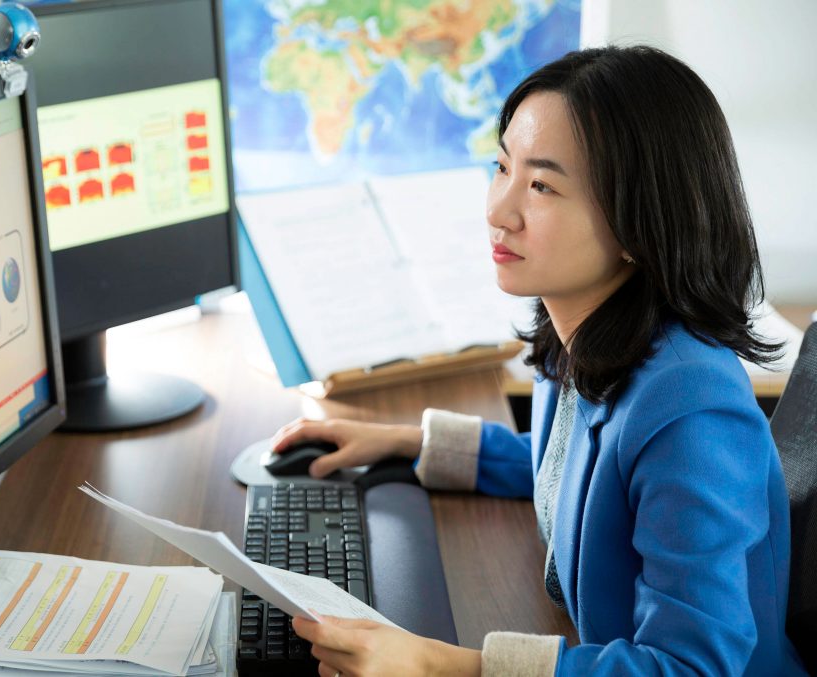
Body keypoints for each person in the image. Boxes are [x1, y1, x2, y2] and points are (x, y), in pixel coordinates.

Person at [274, 46, 808, 676]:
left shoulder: (692, 411)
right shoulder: (579, 334)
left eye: (542, 186)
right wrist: (410, 444)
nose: (498, 212)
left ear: (639, 222)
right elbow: (572, 473)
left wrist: (440, 666)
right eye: (502, 167)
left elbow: (694, 667)